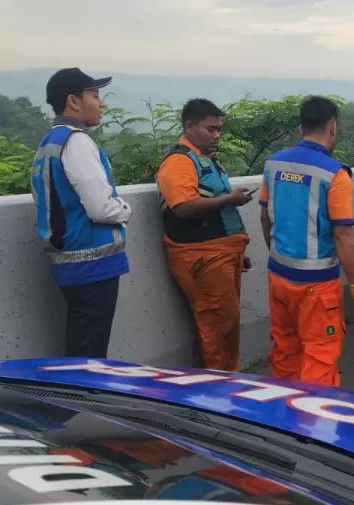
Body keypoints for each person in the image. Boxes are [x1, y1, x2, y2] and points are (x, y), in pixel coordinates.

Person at [259, 96, 354, 386]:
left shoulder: (273, 166)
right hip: (316, 286)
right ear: (332, 127)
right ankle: (312, 426)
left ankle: (282, 418)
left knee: (285, 350)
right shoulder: (334, 174)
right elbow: (343, 234)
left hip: (278, 277)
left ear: (301, 128)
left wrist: (276, 253)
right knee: (319, 356)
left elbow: (265, 218)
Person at [30, 68, 131, 358]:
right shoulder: (77, 140)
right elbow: (101, 207)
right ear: (74, 101)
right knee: (89, 352)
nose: (102, 104)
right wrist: (125, 210)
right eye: (95, 95)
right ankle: (81, 402)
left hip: (68, 261)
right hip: (92, 261)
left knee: (82, 342)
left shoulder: (50, 140)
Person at [156, 98, 254, 371]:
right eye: (210, 129)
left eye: (219, 129)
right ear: (189, 127)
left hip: (223, 254)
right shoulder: (179, 161)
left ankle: (228, 379)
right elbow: (183, 207)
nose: (217, 135)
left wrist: (237, 253)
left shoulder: (206, 160)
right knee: (217, 325)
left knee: (228, 322)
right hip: (201, 256)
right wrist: (229, 200)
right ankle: (218, 389)